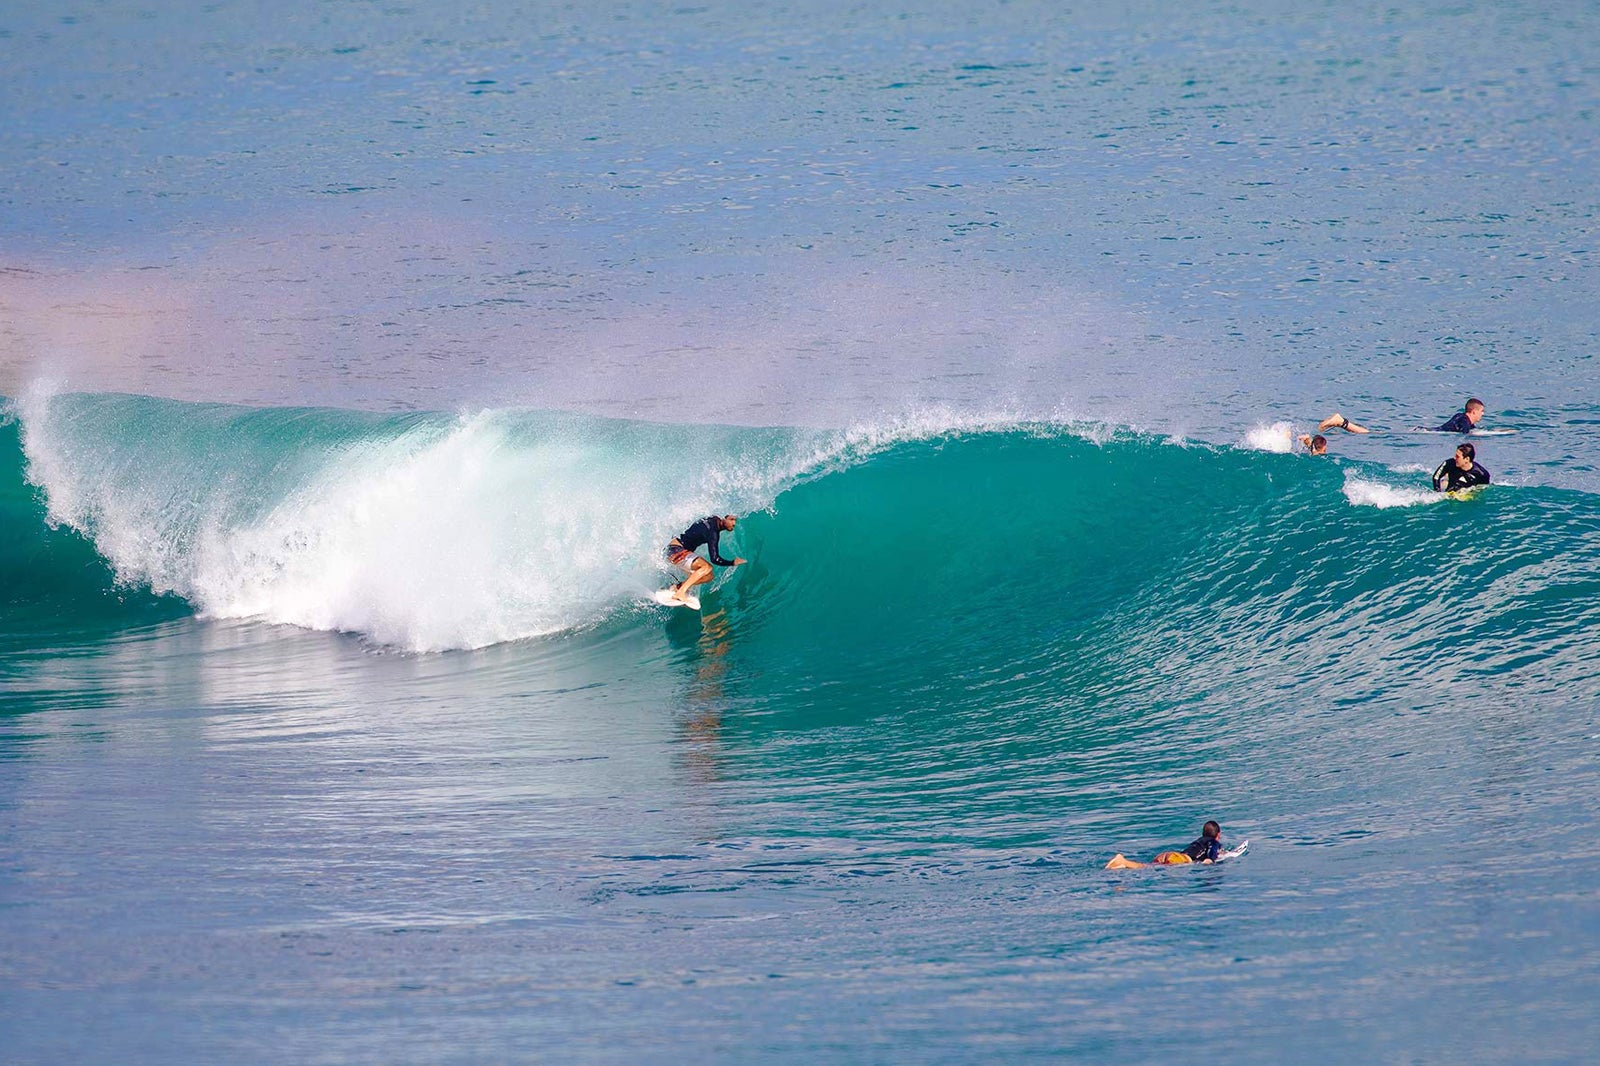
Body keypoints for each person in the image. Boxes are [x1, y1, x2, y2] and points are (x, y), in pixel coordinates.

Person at [664, 514, 745, 604]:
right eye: (732, 519)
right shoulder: (713, 533)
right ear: (724, 517)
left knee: (709, 576)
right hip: (676, 551)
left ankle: (678, 587)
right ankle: (680, 593)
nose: (734, 523)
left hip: (673, 549)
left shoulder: (711, 519)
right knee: (707, 567)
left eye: (735, 521)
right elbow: (715, 559)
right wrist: (732, 562)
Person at [1105, 821, 1223, 870]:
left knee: (1148, 866)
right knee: (1146, 868)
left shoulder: (1199, 841)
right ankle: (1123, 861)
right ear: (1218, 835)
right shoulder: (1214, 842)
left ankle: (1122, 863)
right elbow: (1209, 857)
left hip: (1170, 855)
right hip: (1180, 859)